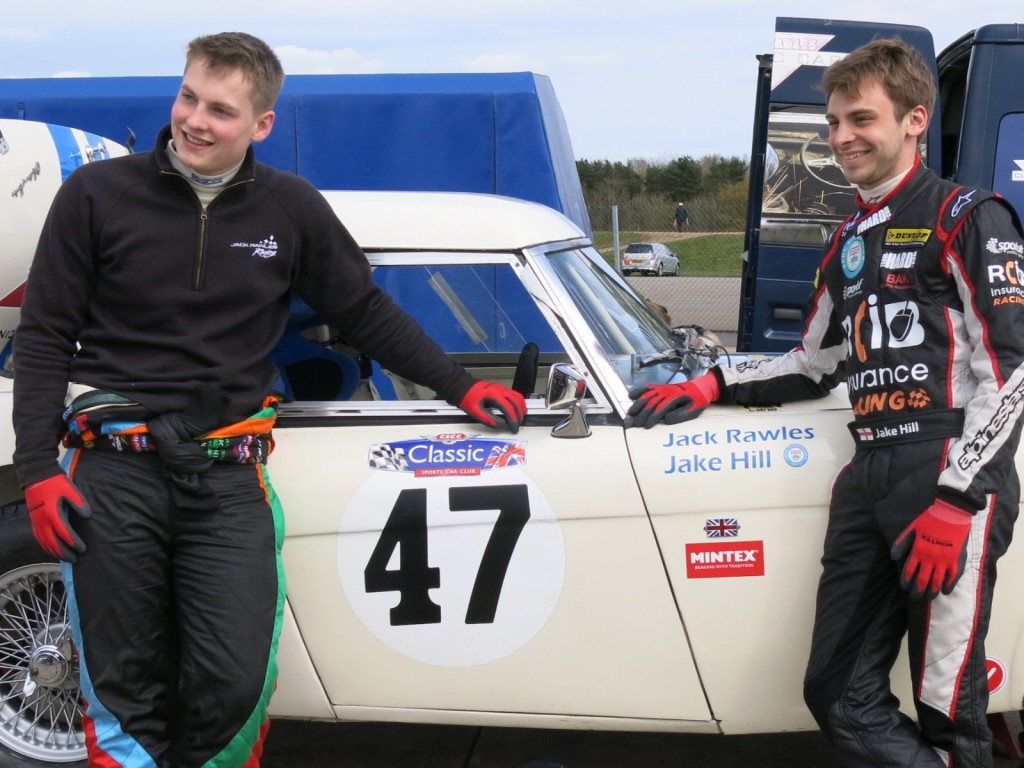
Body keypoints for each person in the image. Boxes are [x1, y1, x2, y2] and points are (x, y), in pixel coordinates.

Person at [13, 32, 526, 768]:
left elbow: (365, 313)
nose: (193, 119)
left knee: (235, 681)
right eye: (188, 95)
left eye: (220, 109)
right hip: (111, 472)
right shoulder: (96, 195)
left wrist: (462, 384)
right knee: (122, 685)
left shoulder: (290, 208)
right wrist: (36, 467)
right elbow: (45, 335)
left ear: (261, 125)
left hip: (227, 475)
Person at [628, 38, 1024, 768]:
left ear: (914, 119)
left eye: (860, 119)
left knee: (947, 707)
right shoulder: (849, 239)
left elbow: (1014, 368)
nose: (841, 137)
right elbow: (813, 363)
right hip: (870, 472)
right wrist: (713, 383)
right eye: (833, 122)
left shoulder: (968, 216)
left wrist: (958, 499)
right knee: (834, 692)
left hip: (947, 474)